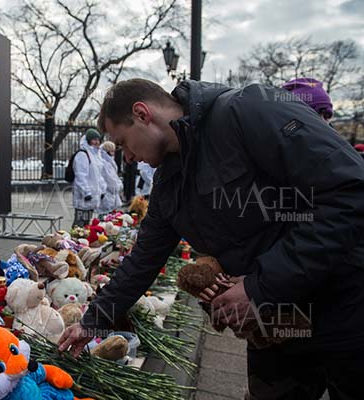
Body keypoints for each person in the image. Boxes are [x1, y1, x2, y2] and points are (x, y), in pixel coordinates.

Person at [59, 78, 364, 399]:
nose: (127, 158)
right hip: (276, 329)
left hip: (346, 309)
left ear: (142, 114)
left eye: (123, 142)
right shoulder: (168, 182)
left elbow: (349, 193)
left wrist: (260, 285)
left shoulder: (248, 110)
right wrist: (93, 321)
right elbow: (144, 258)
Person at [72, 129, 105, 227]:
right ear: (88, 140)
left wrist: (102, 190)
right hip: (84, 198)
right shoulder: (83, 154)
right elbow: (80, 176)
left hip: (93, 197)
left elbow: (98, 176)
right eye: (94, 139)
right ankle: (73, 237)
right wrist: (86, 192)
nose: (97, 142)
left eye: (98, 140)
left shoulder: (95, 155)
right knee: (79, 224)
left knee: (86, 224)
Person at [96, 141, 123, 215]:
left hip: (110, 195)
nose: (113, 153)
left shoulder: (108, 161)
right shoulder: (105, 163)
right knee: (106, 216)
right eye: (112, 151)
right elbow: (111, 181)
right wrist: (119, 186)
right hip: (108, 194)